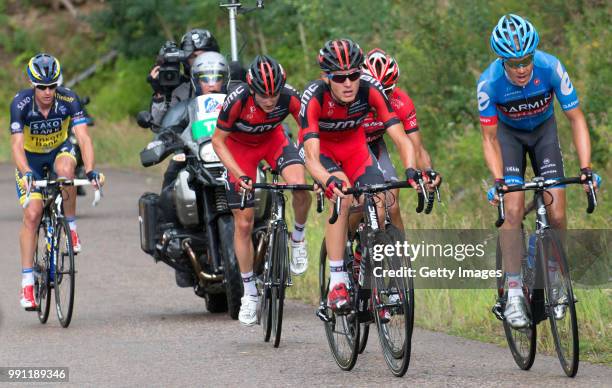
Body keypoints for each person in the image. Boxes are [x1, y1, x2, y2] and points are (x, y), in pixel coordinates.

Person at [478, 14, 598, 328]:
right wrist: (499, 181)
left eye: (526, 60)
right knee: (514, 209)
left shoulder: (550, 67)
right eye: (513, 62)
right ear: (502, 60)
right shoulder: (489, 82)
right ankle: (515, 289)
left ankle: (555, 275)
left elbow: (576, 119)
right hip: (510, 138)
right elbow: (489, 139)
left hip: (544, 133)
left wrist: (585, 169)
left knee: (556, 212)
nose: (521, 68)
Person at [300, 39, 419, 312]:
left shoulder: (370, 89)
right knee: (342, 196)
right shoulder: (314, 97)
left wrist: (411, 170)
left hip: (356, 149)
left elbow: (400, 138)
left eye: (354, 75)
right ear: (326, 77)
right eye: (340, 78)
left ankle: (371, 270)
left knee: (380, 200)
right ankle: (338, 281)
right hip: (324, 152)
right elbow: (311, 159)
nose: (348, 83)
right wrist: (327, 181)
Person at [212, 55, 312, 326]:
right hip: (239, 150)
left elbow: (308, 127)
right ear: (251, 88)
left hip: (273, 142)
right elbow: (218, 141)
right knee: (243, 223)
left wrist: (305, 151)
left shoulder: (289, 97)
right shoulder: (237, 100)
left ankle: (298, 239)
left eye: (274, 94)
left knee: (301, 186)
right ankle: (249, 292)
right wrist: (239, 173)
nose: (270, 100)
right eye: (263, 95)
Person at [10, 53, 101, 310]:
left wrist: (92, 170)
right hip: (30, 161)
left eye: (52, 86)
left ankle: (70, 228)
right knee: (33, 213)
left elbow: (83, 138)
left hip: (59, 150)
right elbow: (16, 145)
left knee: (66, 172)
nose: (48, 92)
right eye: (42, 87)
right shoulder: (20, 103)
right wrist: (26, 171)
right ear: (32, 83)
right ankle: (27, 282)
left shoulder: (68, 99)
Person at [162, 51, 231, 288]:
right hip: (196, 158)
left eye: (217, 78)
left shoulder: (238, 103)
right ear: (195, 80)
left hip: (233, 161)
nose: (212, 85)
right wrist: (163, 142)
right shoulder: (185, 107)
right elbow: (168, 130)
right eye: (205, 78)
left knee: (268, 187)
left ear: (226, 79)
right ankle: (171, 238)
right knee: (171, 183)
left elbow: (257, 122)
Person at [361, 48, 441, 232]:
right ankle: (348, 252)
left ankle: (403, 258)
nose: (379, 96)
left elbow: (416, 147)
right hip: (349, 148)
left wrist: (428, 172)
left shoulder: (401, 103)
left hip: (375, 145)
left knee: (392, 205)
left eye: (386, 91)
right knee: (356, 204)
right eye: (373, 90)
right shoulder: (352, 101)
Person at [148, 28, 221, 126]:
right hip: (188, 140)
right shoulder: (179, 89)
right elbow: (158, 126)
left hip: (221, 138)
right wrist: (160, 93)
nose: (200, 61)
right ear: (185, 61)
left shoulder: (227, 82)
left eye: (205, 55)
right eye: (193, 57)